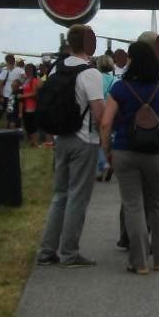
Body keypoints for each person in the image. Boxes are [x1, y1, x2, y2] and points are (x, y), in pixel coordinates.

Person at [100, 39, 159, 274]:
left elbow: (106, 123)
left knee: (132, 205)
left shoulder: (119, 88)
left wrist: (108, 152)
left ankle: (138, 261)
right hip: (154, 153)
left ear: (132, 61)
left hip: (125, 151)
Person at [37, 25, 106, 269]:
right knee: (78, 196)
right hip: (84, 140)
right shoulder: (90, 73)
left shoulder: (58, 67)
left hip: (61, 138)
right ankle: (69, 252)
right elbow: (99, 113)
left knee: (60, 195)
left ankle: (47, 251)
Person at [0, 54, 24, 130]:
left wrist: (1, 96)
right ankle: (14, 130)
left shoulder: (6, 70)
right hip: (9, 95)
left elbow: (0, 85)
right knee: (10, 113)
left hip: (8, 95)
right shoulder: (9, 71)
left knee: (5, 113)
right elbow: (0, 85)